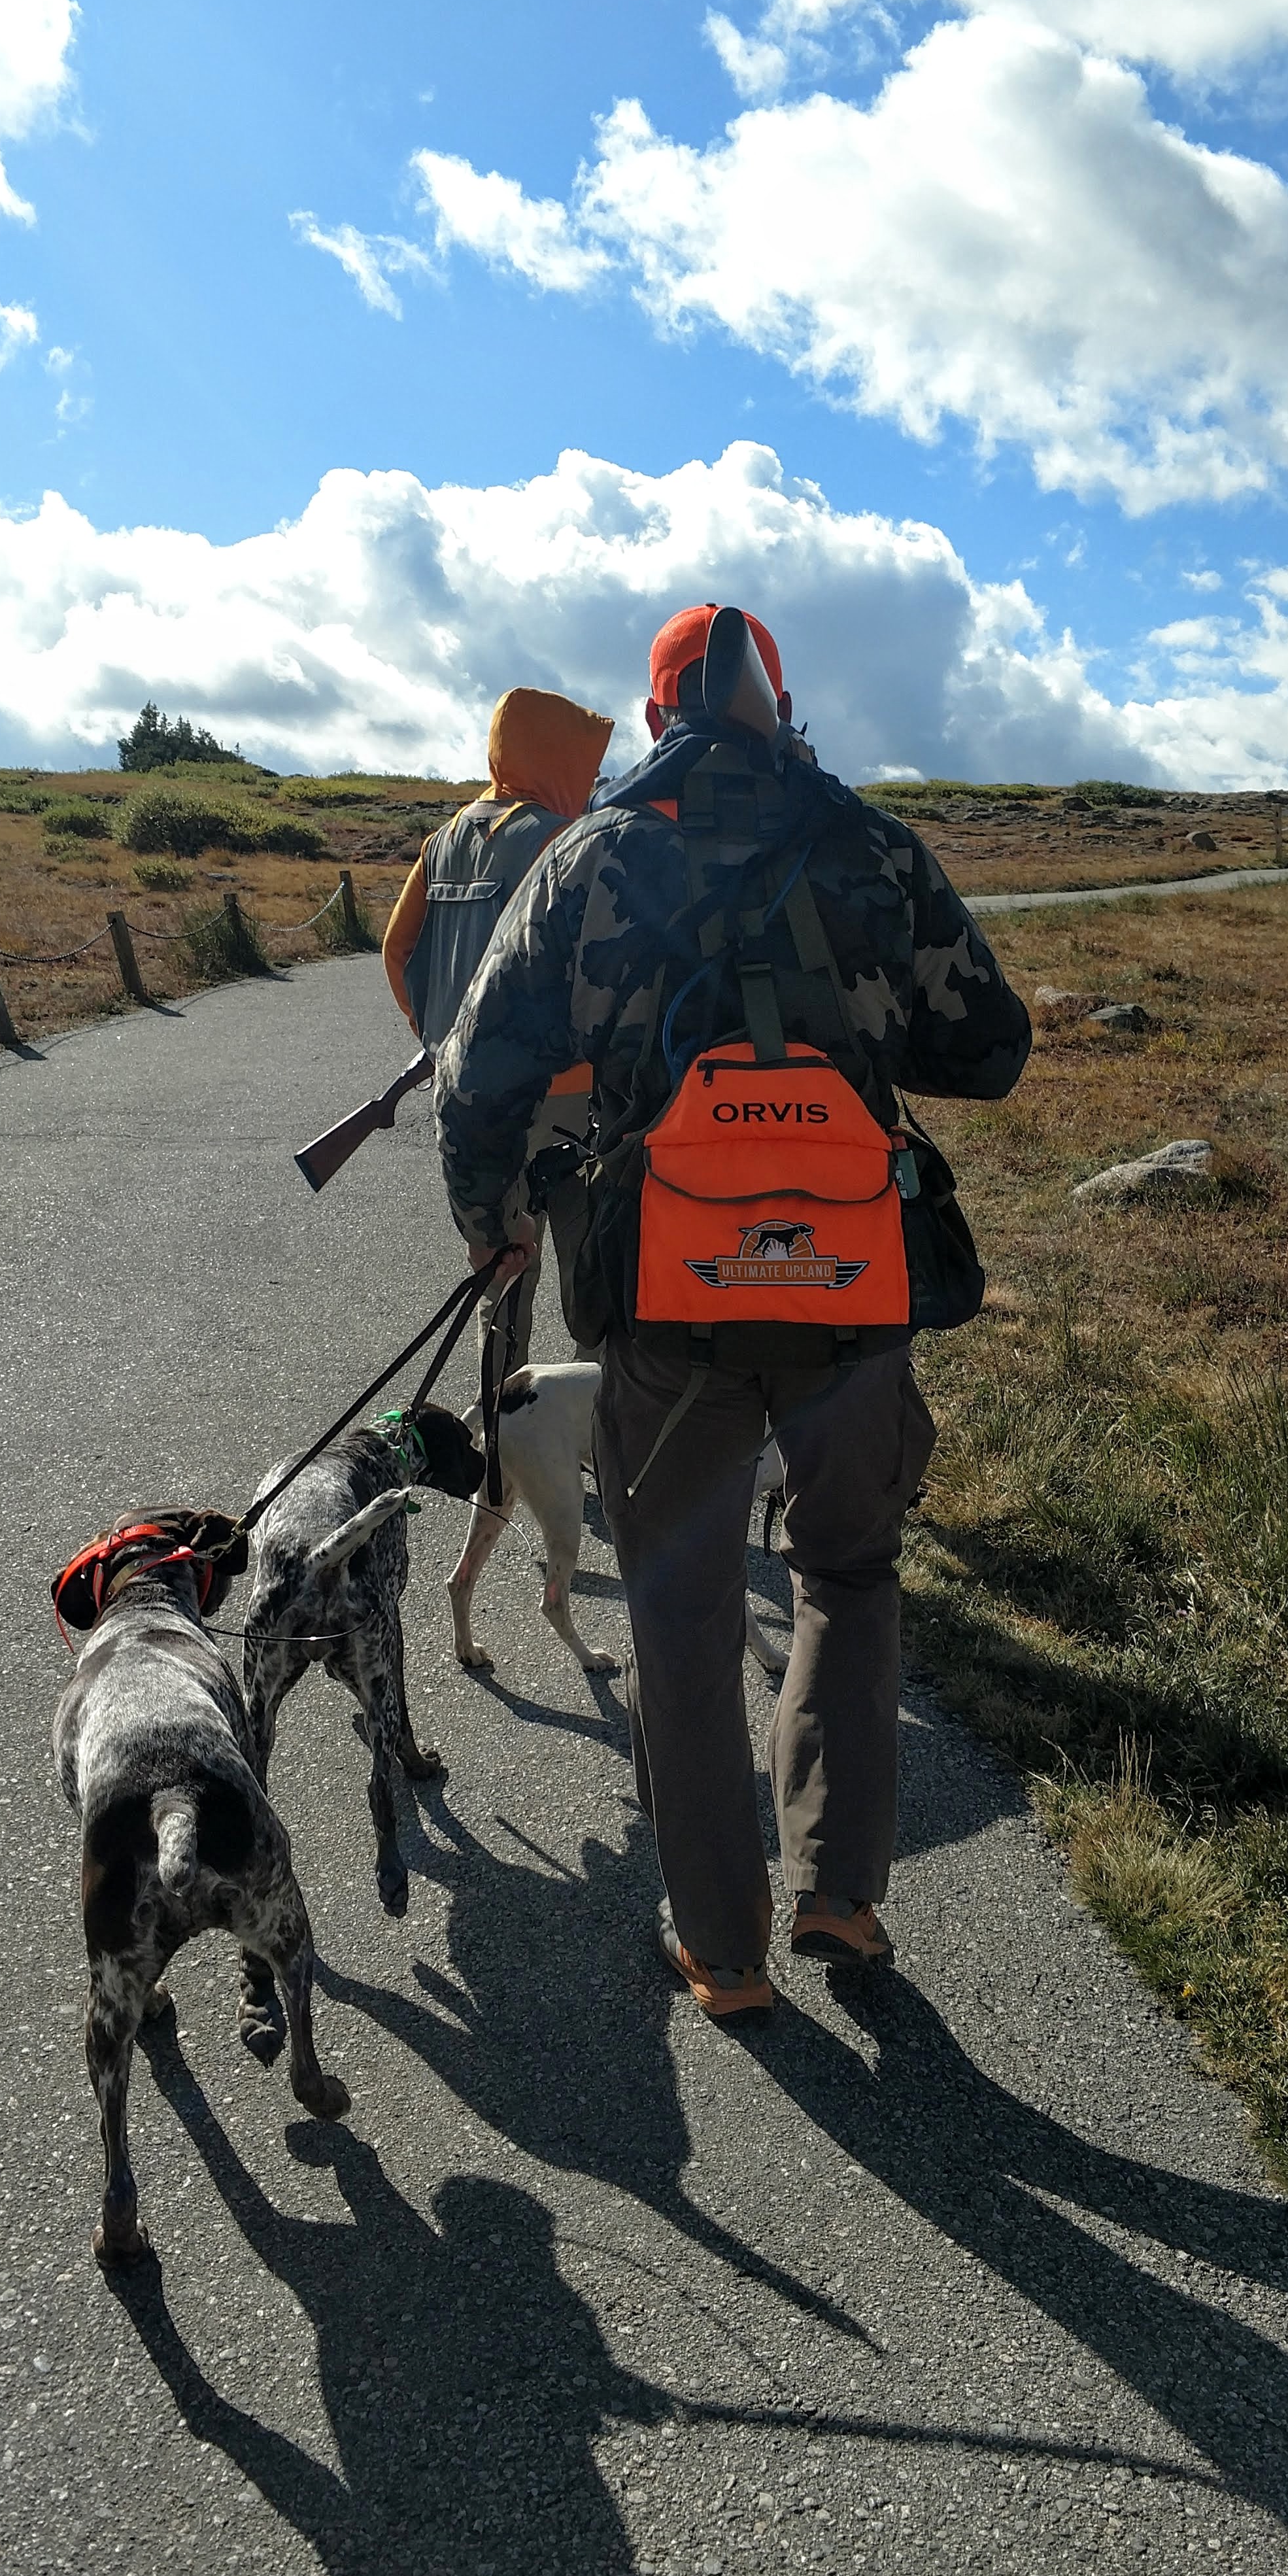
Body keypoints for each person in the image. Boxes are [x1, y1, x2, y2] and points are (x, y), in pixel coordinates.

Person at [433, 602, 1031, 2016]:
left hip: (663, 1294)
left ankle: (722, 1945)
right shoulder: (873, 847)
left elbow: (477, 1077)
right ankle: (839, 1890)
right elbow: (990, 1050)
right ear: (780, 707)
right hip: (852, 1287)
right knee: (848, 1573)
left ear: (655, 721)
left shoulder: (588, 857)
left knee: (681, 1614)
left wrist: (498, 1219)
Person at [382, 682, 614, 1368]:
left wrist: (437, 1039)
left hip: (470, 1094)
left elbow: (397, 951)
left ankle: (501, 1437)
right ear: (551, 755)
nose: (592, 778)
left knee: (501, 1273)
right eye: (585, 762)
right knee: (588, 1264)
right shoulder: (561, 841)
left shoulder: (443, 840)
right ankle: (587, 1430)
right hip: (564, 1090)